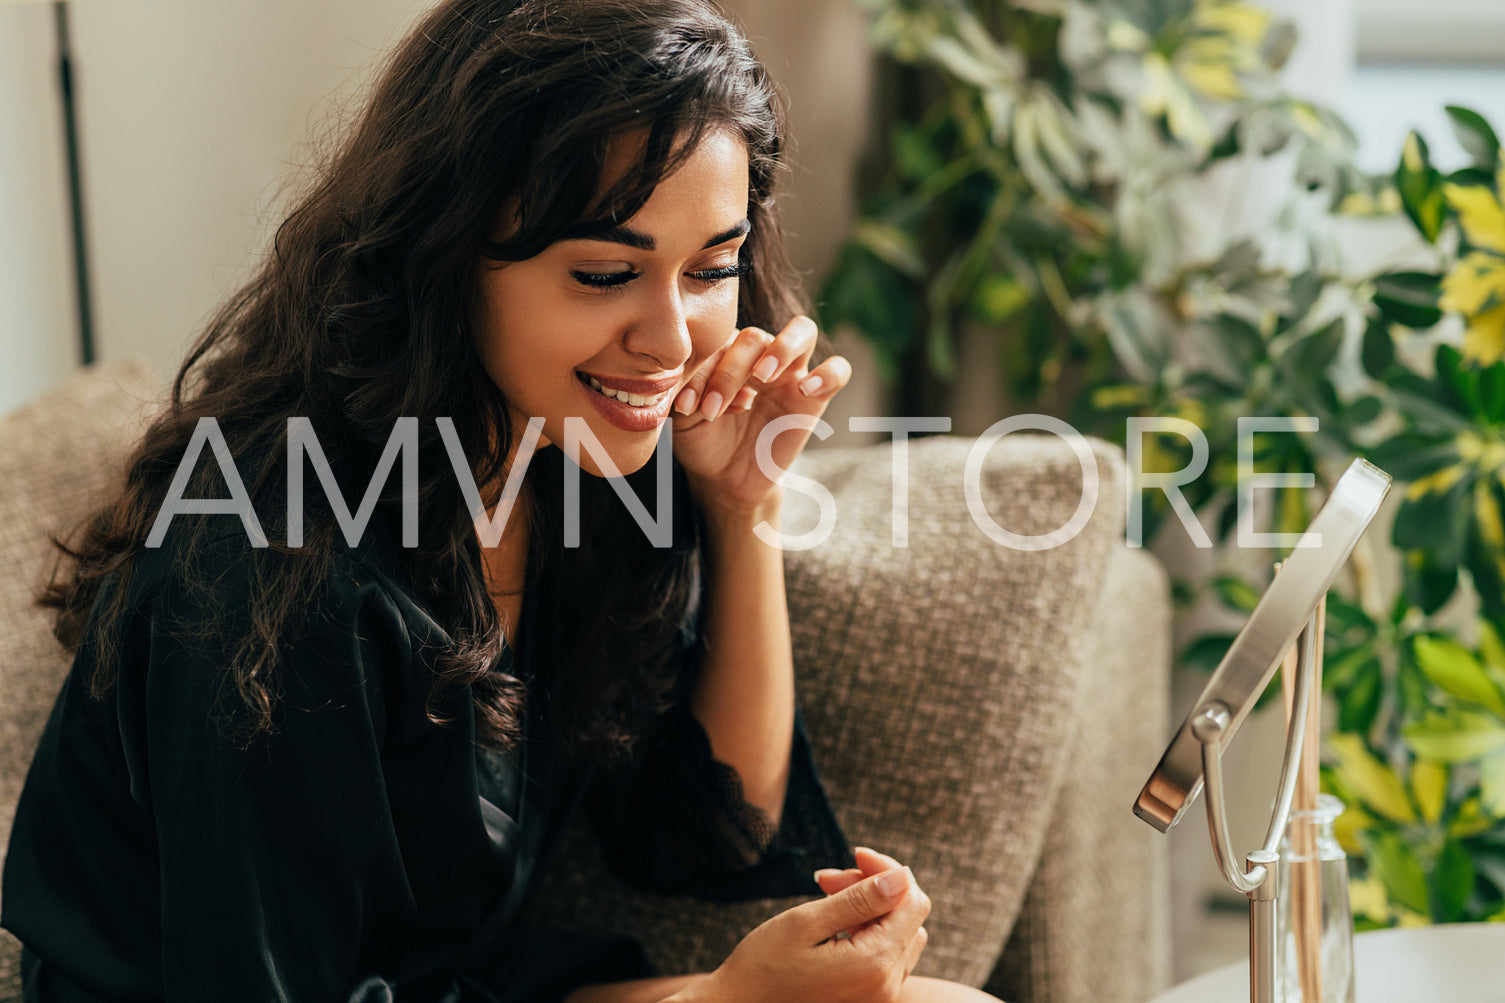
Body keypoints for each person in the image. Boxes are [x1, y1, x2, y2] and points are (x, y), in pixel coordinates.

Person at [1, 1, 1003, 1001]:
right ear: (445, 255)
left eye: (710, 268)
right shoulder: (268, 561)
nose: (672, 338)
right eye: (606, 272)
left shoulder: (574, 468)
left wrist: (740, 506)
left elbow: (701, 837)